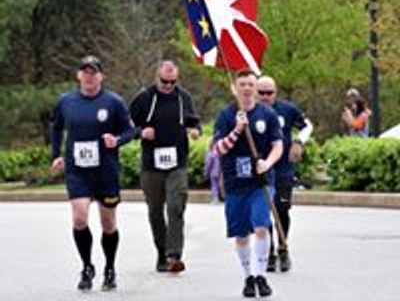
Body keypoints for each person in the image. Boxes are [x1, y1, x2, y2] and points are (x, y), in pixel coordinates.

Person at [51, 55, 136, 291]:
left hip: (105, 171)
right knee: (79, 217)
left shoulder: (113, 102)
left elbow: (131, 131)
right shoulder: (66, 101)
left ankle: (110, 268)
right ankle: (87, 266)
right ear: (79, 75)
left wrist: (117, 140)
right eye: (85, 72)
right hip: (77, 170)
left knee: (108, 223)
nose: (89, 76)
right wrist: (55, 155)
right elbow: (56, 127)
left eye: (94, 72)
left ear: (101, 76)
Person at [214, 69, 283, 298]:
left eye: (250, 84)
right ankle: (248, 277)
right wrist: (237, 130)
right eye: (242, 84)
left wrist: (268, 163)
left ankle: (261, 275)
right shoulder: (226, 115)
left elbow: (278, 145)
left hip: (260, 183)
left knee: (261, 225)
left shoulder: (267, 115)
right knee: (241, 234)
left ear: (255, 87)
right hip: (235, 183)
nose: (246, 88)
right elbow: (218, 149)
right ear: (235, 88)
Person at [129, 60, 201, 273]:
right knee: (155, 212)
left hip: (177, 162)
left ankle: (174, 255)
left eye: (173, 82)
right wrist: (141, 133)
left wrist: (194, 130)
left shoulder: (183, 97)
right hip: (151, 164)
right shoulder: (144, 98)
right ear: (156, 77)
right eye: (164, 82)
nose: (169, 86)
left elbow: (193, 120)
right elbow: (126, 125)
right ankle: (161, 252)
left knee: (176, 206)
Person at [257, 76, 313, 273]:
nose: (265, 97)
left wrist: (298, 142)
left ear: (276, 93)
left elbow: (307, 126)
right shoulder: (249, 112)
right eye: (261, 93)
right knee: (264, 212)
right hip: (261, 168)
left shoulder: (287, 110)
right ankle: (270, 252)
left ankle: (283, 247)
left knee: (281, 208)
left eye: (269, 93)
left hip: (283, 168)